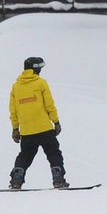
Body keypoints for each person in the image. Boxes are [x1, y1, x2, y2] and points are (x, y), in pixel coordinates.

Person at [8, 56, 67, 189]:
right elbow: (49, 104)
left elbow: (13, 110)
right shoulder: (41, 83)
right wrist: (56, 122)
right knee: (53, 153)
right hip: (44, 128)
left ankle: (16, 180)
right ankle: (58, 179)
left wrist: (15, 128)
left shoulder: (16, 86)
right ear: (36, 70)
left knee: (25, 156)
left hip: (27, 131)